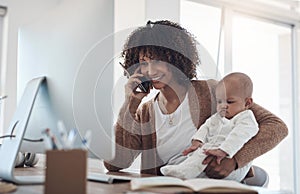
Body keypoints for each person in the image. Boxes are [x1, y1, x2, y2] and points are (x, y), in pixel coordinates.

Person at [104, 20, 288, 179]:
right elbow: (116, 163)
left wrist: (234, 161)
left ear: (176, 59)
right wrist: (130, 103)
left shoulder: (211, 91)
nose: (150, 71)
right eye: (144, 63)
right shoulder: (144, 112)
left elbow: (276, 126)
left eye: (158, 60)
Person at [160, 72, 258, 181]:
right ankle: (185, 172)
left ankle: (184, 173)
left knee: (203, 157)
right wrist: (197, 141)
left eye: (229, 102)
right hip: (212, 152)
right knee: (197, 154)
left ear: (247, 103)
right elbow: (205, 127)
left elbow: (239, 136)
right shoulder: (217, 117)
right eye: (219, 101)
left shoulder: (246, 117)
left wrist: (224, 150)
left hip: (232, 159)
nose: (223, 106)